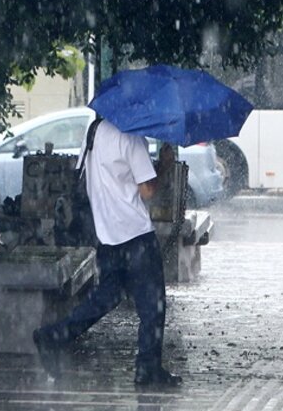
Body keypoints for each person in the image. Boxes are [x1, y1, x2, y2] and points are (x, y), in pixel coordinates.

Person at [32, 117, 182, 386]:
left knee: (107, 296)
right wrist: (164, 165)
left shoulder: (94, 131)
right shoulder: (131, 136)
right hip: (135, 234)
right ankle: (147, 370)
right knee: (153, 305)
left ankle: (54, 335)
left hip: (107, 234)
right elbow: (147, 190)